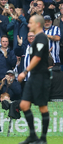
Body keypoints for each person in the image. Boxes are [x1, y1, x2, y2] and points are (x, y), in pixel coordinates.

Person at [18, 15, 50, 144]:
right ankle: (32, 135)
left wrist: (25, 72)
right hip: (34, 77)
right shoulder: (36, 39)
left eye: (30, 22)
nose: (28, 25)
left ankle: (43, 139)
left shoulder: (42, 37)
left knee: (42, 107)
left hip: (41, 76)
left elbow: (37, 58)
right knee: (24, 105)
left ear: (37, 24)